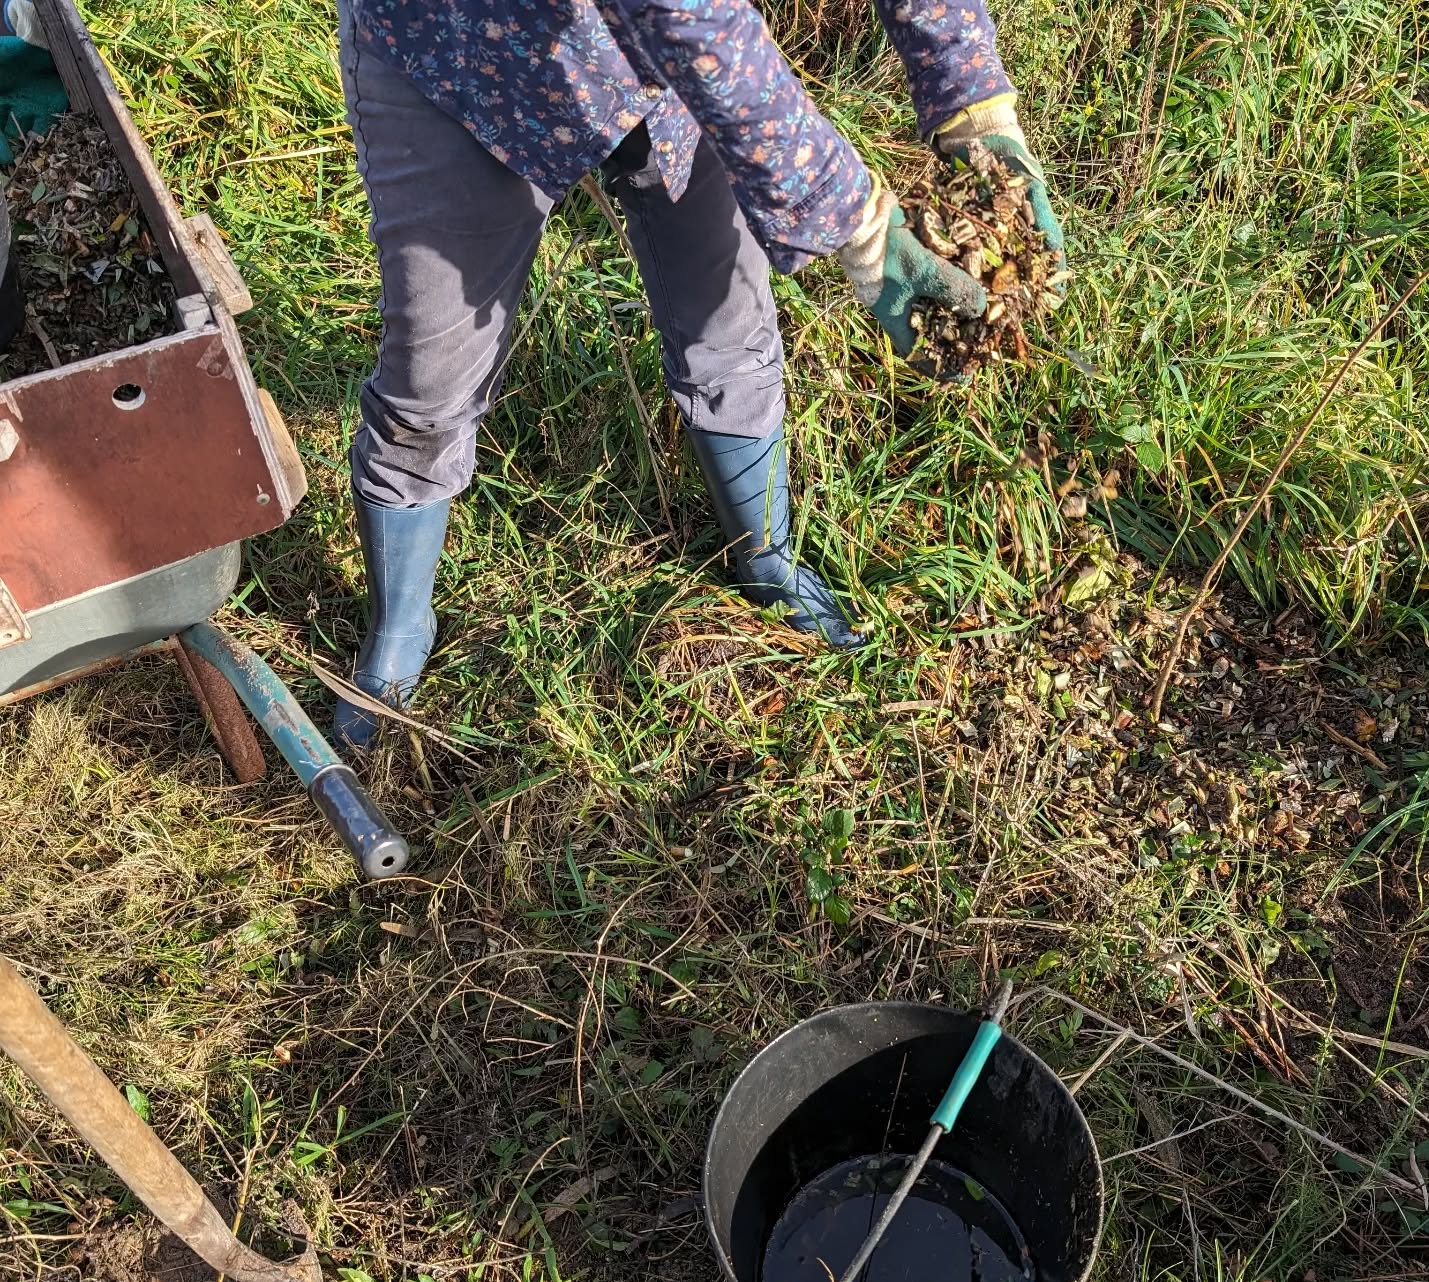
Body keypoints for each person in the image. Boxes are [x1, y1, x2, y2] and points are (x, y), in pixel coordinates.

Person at [332, 0, 1065, 750]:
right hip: (462, 57)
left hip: (670, 79)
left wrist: (968, 89)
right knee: (432, 376)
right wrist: (857, 221)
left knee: (729, 325)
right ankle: (398, 623)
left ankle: (766, 557)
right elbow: (686, 15)